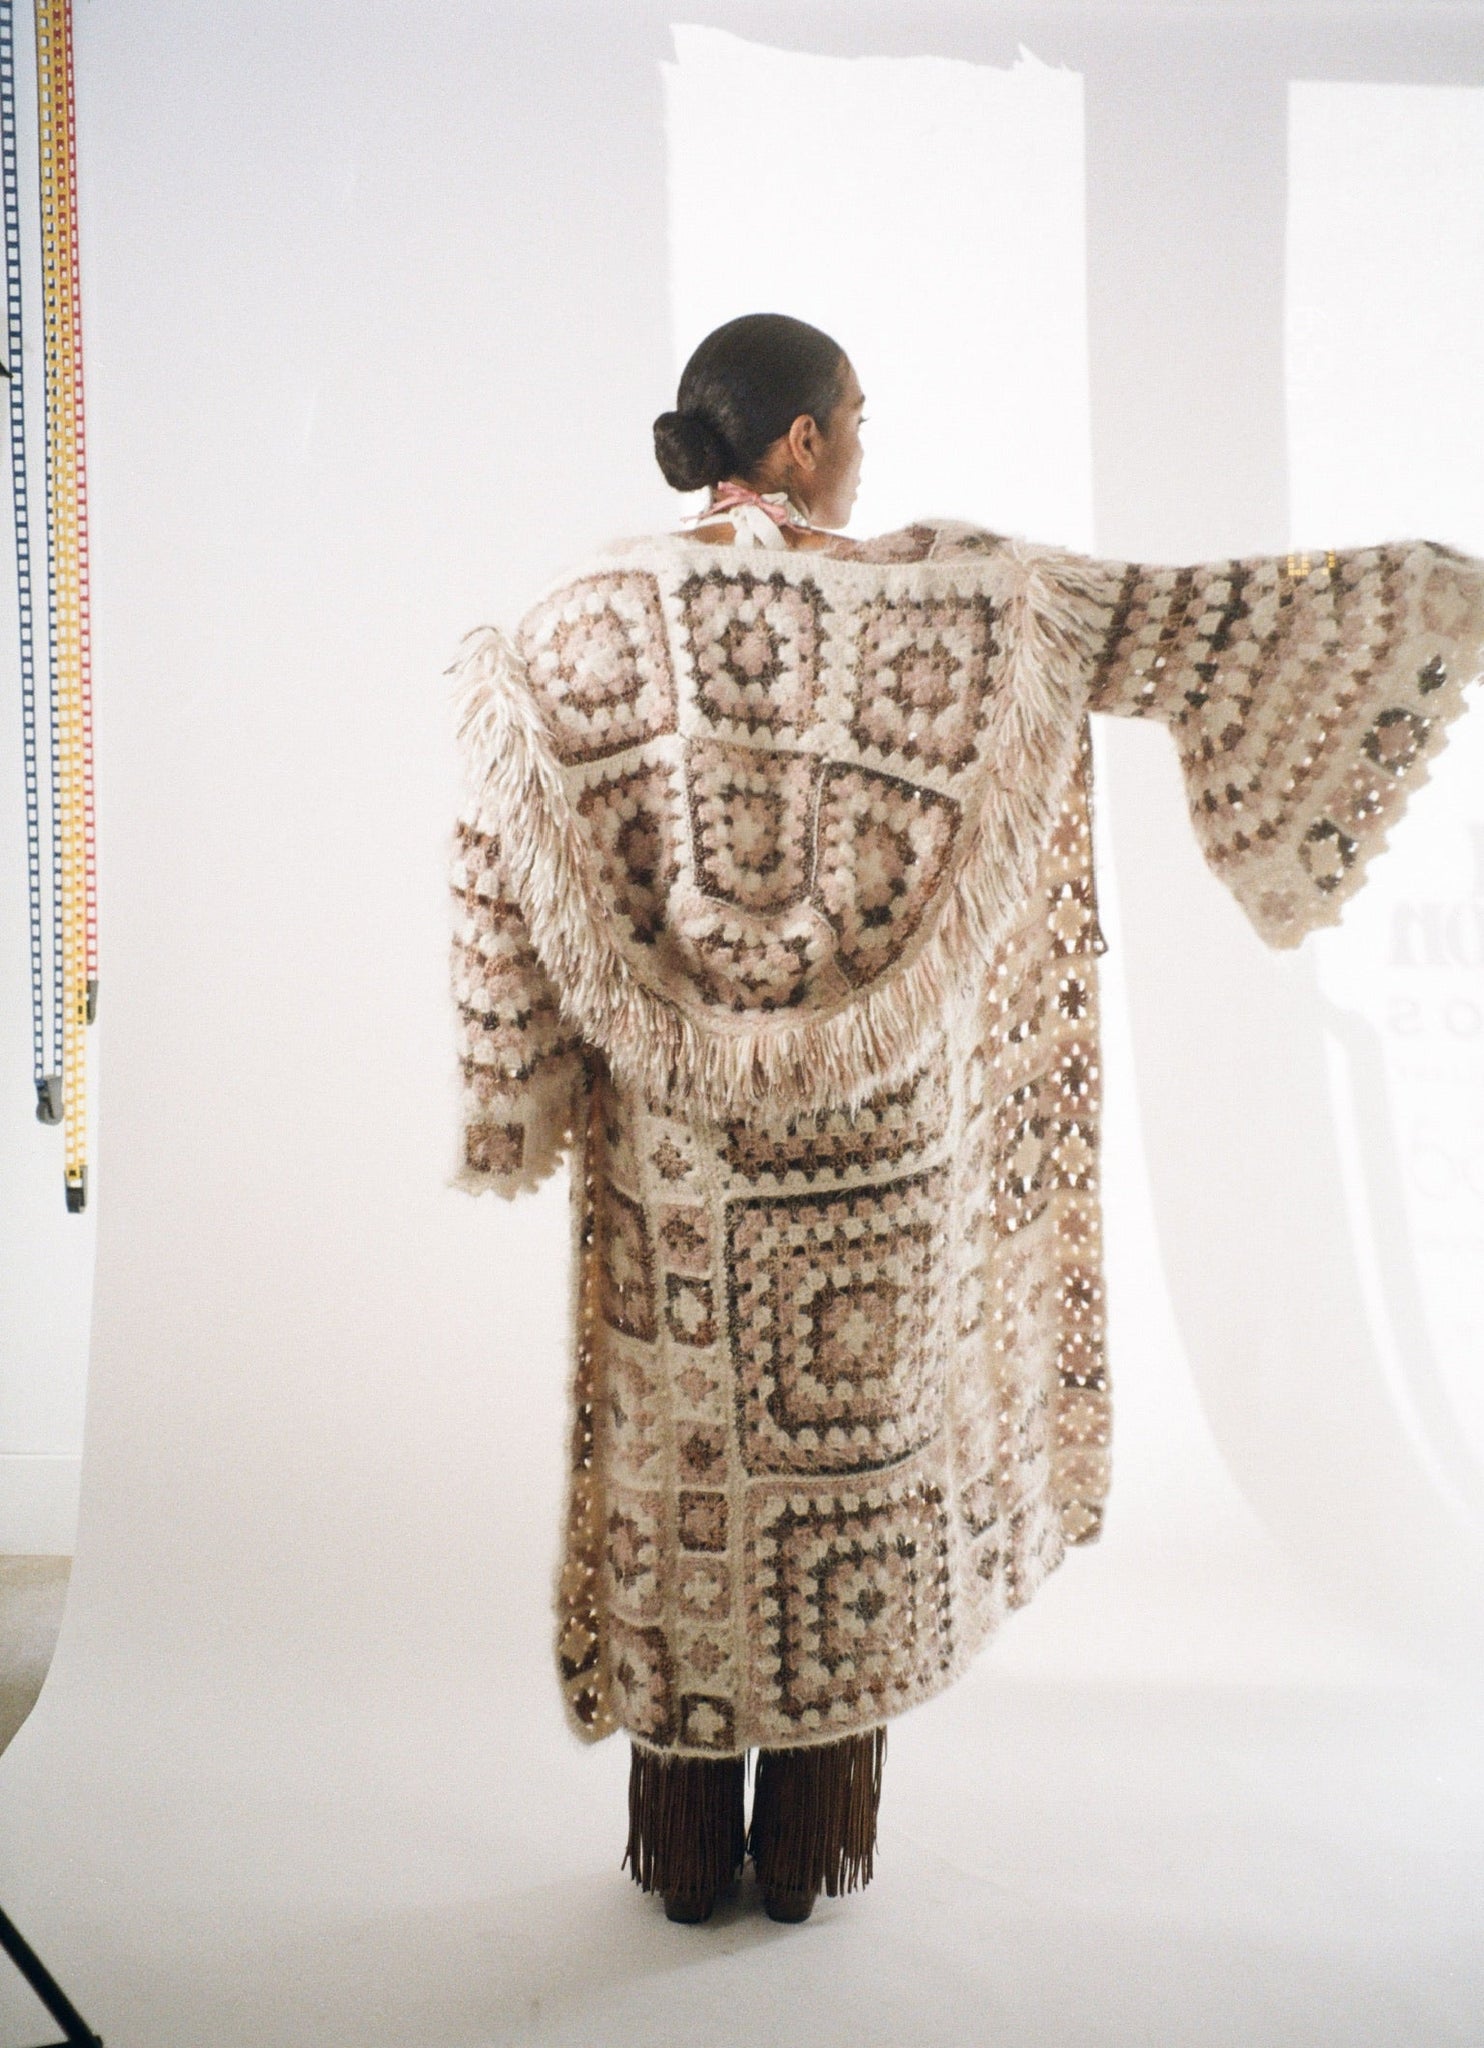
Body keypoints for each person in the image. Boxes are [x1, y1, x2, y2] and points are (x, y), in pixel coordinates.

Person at [447, 313, 1484, 1927]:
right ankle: (808, 1854)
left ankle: (685, 1855)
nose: (865, 448)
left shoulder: (576, 622)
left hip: (680, 1166)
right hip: (884, 1162)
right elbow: (1181, 622)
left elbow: (500, 841)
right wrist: (1426, 591)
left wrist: (509, 1089)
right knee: (853, 1487)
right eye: (855, 419)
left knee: (684, 1473)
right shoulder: (965, 596)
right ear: (801, 440)